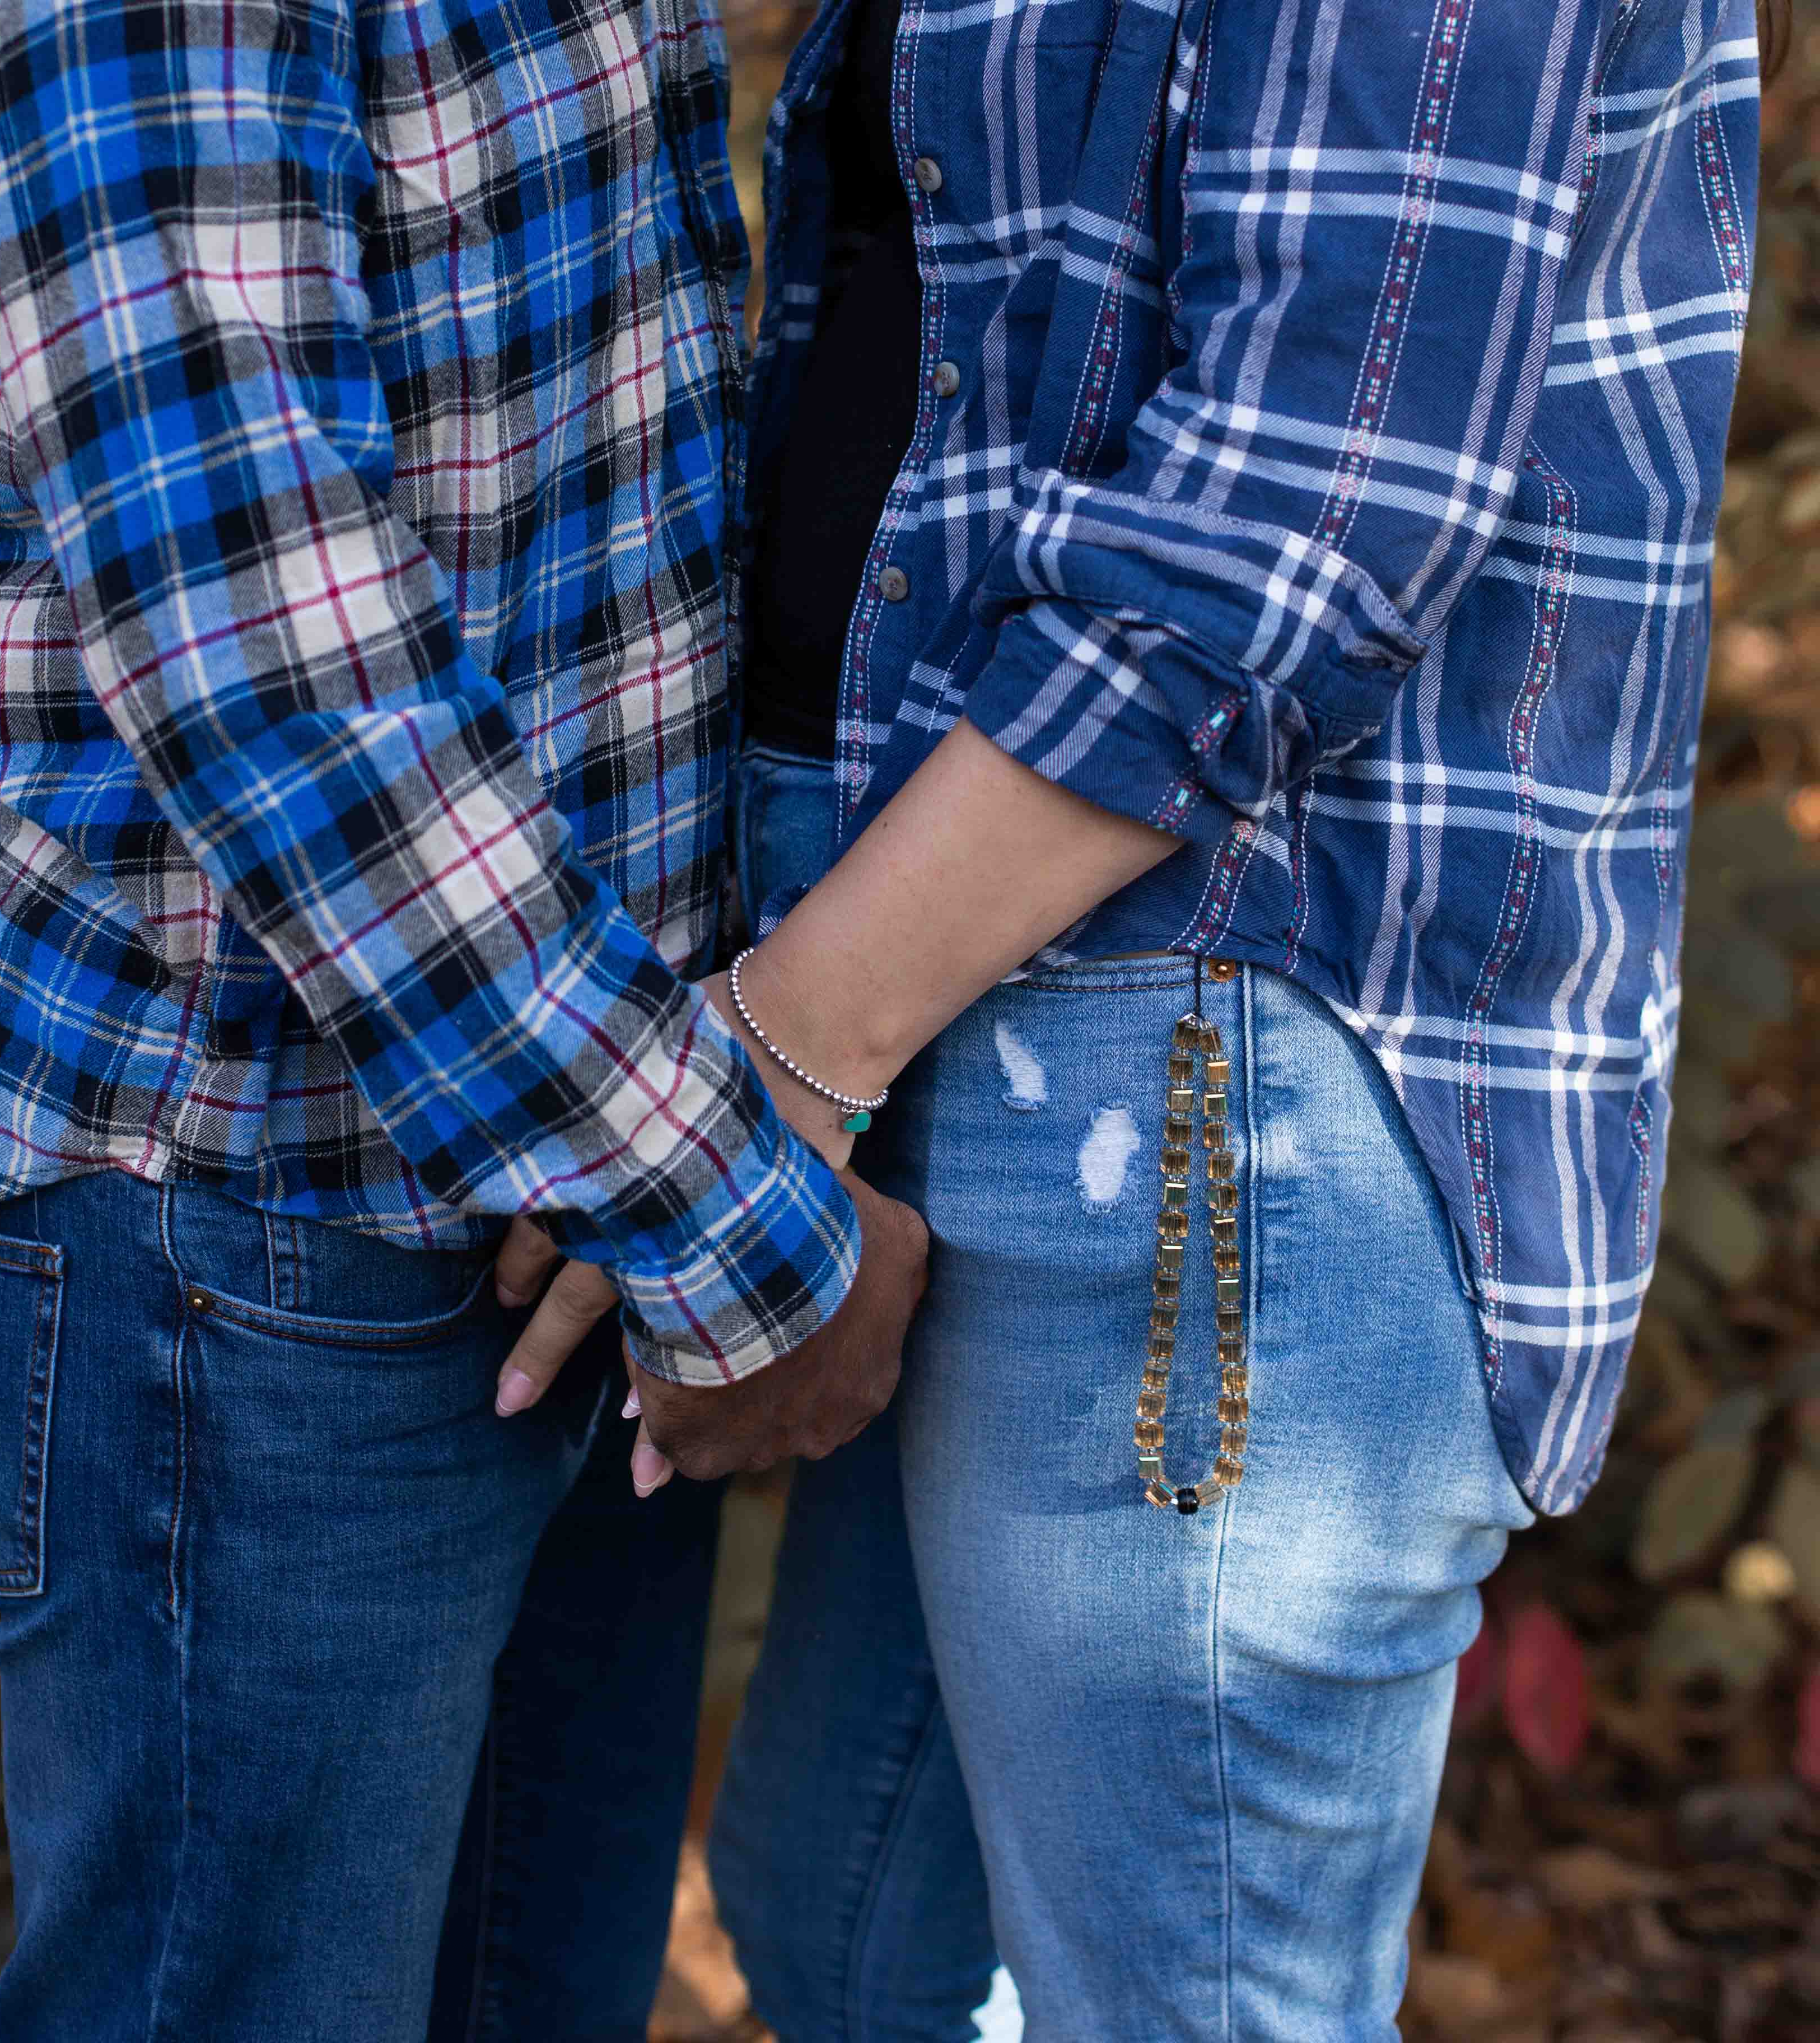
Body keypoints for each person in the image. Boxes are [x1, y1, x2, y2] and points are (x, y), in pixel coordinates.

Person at [519, 0, 1773, 2032]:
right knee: (848, 1915)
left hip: (1207, 1009)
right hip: (936, 953)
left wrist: (788, 1042)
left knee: (1179, 1997)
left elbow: (1311, 502)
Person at [0, 0, 928, 2033]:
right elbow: (256, 635)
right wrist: (733, 1216)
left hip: (585, 1194)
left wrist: (682, 1157)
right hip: (261, 1226)